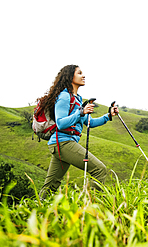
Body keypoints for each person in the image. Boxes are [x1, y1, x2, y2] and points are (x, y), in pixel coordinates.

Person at [36, 64, 119, 198]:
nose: (83, 75)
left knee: (51, 185)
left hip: (62, 144)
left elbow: (89, 122)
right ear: (70, 77)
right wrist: (80, 112)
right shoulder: (64, 96)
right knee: (99, 170)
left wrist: (108, 116)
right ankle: (86, 206)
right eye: (79, 73)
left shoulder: (78, 99)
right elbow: (61, 123)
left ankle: (36, 212)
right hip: (62, 143)